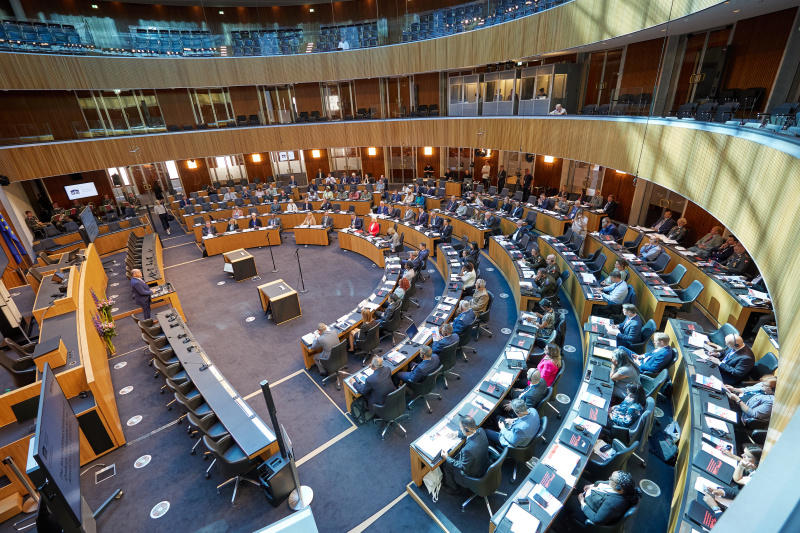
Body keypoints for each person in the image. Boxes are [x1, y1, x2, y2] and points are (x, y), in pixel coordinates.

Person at [568, 471, 641, 526]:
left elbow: (596, 519)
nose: (609, 478)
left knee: (567, 499)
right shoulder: (620, 487)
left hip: (588, 507)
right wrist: (592, 486)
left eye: (611, 479)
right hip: (592, 493)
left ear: (618, 487)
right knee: (576, 479)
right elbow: (602, 483)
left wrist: (582, 502)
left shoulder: (613, 503)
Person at [440, 416, 489, 496]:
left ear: (466, 429)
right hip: (484, 463)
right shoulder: (481, 430)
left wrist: (446, 457)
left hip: (473, 474)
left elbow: (463, 467)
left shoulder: (467, 450)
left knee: (446, 464)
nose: (460, 429)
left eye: (461, 428)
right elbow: (472, 435)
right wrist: (457, 433)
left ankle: (454, 489)